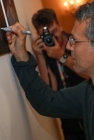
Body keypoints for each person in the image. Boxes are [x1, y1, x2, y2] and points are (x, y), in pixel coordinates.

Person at [6, 0, 94, 140]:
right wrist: (21, 55)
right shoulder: (90, 91)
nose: (68, 46)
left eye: (74, 40)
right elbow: (48, 102)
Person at [31, 8, 87, 140]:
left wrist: (61, 56)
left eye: (54, 31)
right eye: (46, 35)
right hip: (68, 118)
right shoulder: (46, 53)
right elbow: (49, 90)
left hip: (89, 107)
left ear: (60, 26)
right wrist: (40, 56)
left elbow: (89, 74)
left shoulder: (76, 43)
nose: (52, 37)